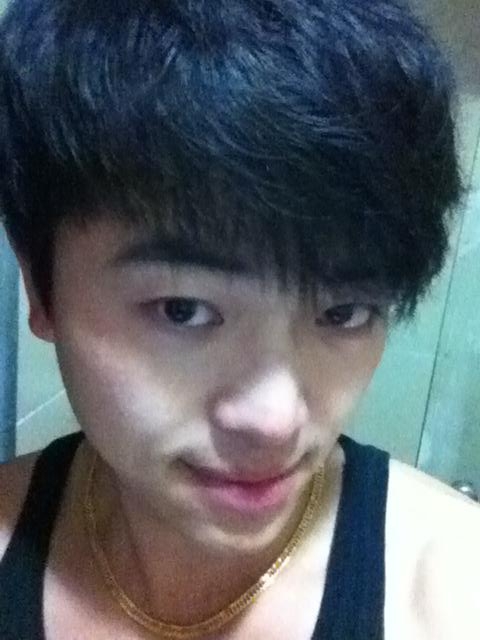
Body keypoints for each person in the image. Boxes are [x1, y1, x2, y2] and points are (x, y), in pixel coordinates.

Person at [0, 0, 479, 638]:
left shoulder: (452, 594)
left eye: (343, 312)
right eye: (184, 310)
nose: (275, 421)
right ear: (41, 286)